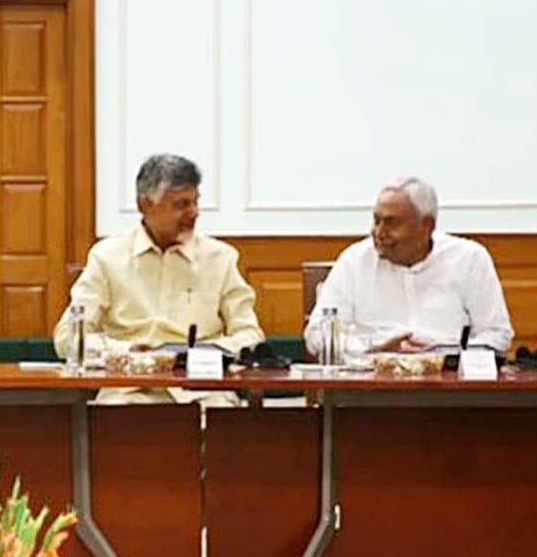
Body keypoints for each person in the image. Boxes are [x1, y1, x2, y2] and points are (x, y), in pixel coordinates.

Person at [56, 154, 264, 405]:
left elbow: (250, 334)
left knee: (223, 416)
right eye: (181, 204)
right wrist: (128, 353)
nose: (193, 213)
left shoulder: (220, 258)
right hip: (128, 390)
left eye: (195, 202)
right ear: (145, 204)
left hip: (202, 391)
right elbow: (68, 339)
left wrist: (201, 356)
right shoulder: (107, 257)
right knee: (115, 417)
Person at [305, 177, 512, 358]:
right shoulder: (355, 261)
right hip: (371, 387)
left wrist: (445, 352)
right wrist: (372, 349)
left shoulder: (469, 260)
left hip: (450, 389)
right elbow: (316, 334)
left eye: (391, 223)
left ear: (426, 226)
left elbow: (497, 335)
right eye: (376, 221)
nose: (379, 232)